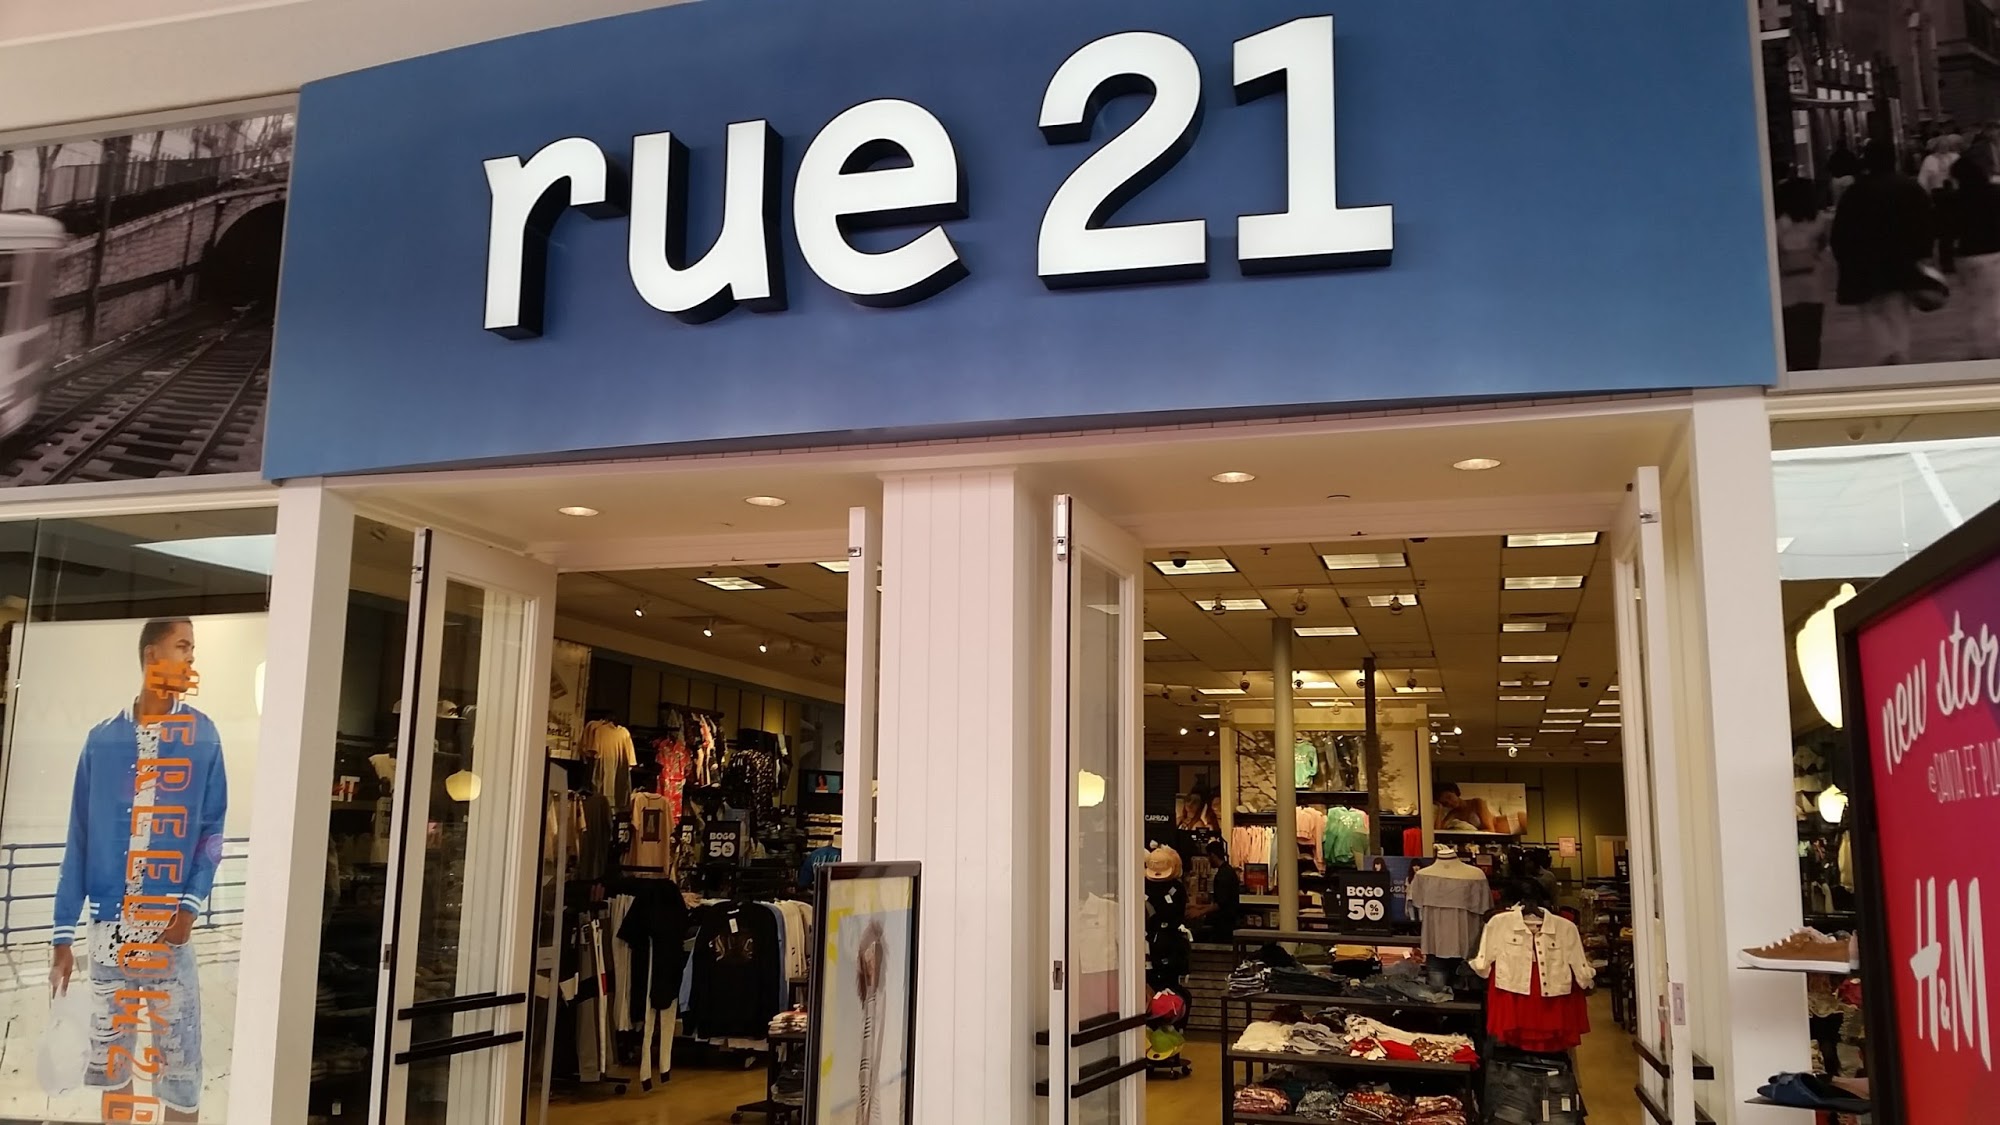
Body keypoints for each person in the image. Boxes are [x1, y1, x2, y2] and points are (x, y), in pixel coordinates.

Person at [49, 618, 227, 1123]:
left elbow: (212, 832)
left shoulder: (202, 735)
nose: (191, 658)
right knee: (112, 1063)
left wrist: (188, 909)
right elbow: (79, 839)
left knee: (180, 1067)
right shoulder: (102, 740)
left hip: (168, 927)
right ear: (153, 656)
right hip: (108, 931)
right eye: (183, 647)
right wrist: (63, 935)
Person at [1832, 140, 1936, 365]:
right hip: (1902, 263)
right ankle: (1899, 353)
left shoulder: (1856, 192)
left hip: (1865, 265)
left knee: (1872, 313)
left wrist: (1844, 261)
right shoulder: (1910, 188)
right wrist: (1924, 255)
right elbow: (1925, 225)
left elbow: (1841, 233)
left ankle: (1883, 353)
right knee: (1898, 313)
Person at [1774, 177, 1832, 370]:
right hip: (1813, 288)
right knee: (1811, 339)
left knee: (1790, 341)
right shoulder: (1819, 221)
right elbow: (1823, 247)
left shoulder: (1778, 225)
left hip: (1786, 289)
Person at [1949, 150, 2000, 355]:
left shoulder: (1955, 199)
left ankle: (1980, 346)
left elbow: (1947, 230)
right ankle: (1992, 346)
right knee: (1994, 303)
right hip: (1993, 252)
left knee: (1975, 303)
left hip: (1966, 255)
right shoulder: (1995, 193)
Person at [1186, 839, 1241, 941]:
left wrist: (1200, 912)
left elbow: (1220, 904)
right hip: (1228, 921)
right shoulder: (1227, 871)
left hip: (1224, 923)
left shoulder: (1223, 875)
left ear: (1213, 855)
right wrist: (1199, 907)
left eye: (1208, 856)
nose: (1208, 860)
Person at [1433, 781, 1502, 833]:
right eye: (1445, 803)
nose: (1450, 803)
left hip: (1503, 826)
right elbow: (1438, 830)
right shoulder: (1454, 813)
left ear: (1455, 792)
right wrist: (1440, 808)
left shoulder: (1476, 803)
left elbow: (1490, 829)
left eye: (1449, 797)